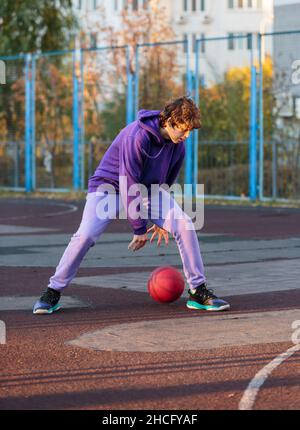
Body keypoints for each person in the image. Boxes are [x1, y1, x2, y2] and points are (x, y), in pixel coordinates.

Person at [33, 96, 230, 314]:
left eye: (190, 131)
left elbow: (165, 184)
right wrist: (139, 227)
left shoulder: (178, 146)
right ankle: (53, 291)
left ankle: (197, 290)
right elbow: (129, 183)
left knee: (184, 223)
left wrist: (162, 220)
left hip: (148, 189)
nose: (187, 135)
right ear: (169, 122)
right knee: (85, 235)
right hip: (109, 187)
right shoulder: (138, 136)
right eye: (183, 129)